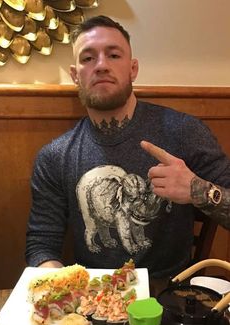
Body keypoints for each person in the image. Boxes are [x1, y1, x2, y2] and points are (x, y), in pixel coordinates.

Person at [25, 15, 230, 280]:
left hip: (169, 296)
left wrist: (198, 190)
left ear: (133, 68)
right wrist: (61, 286)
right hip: (92, 297)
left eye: (113, 55)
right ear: (76, 75)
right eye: (88, 58)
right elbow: (41, 242)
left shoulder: (184, 131)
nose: (101, 66)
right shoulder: (54, 156)